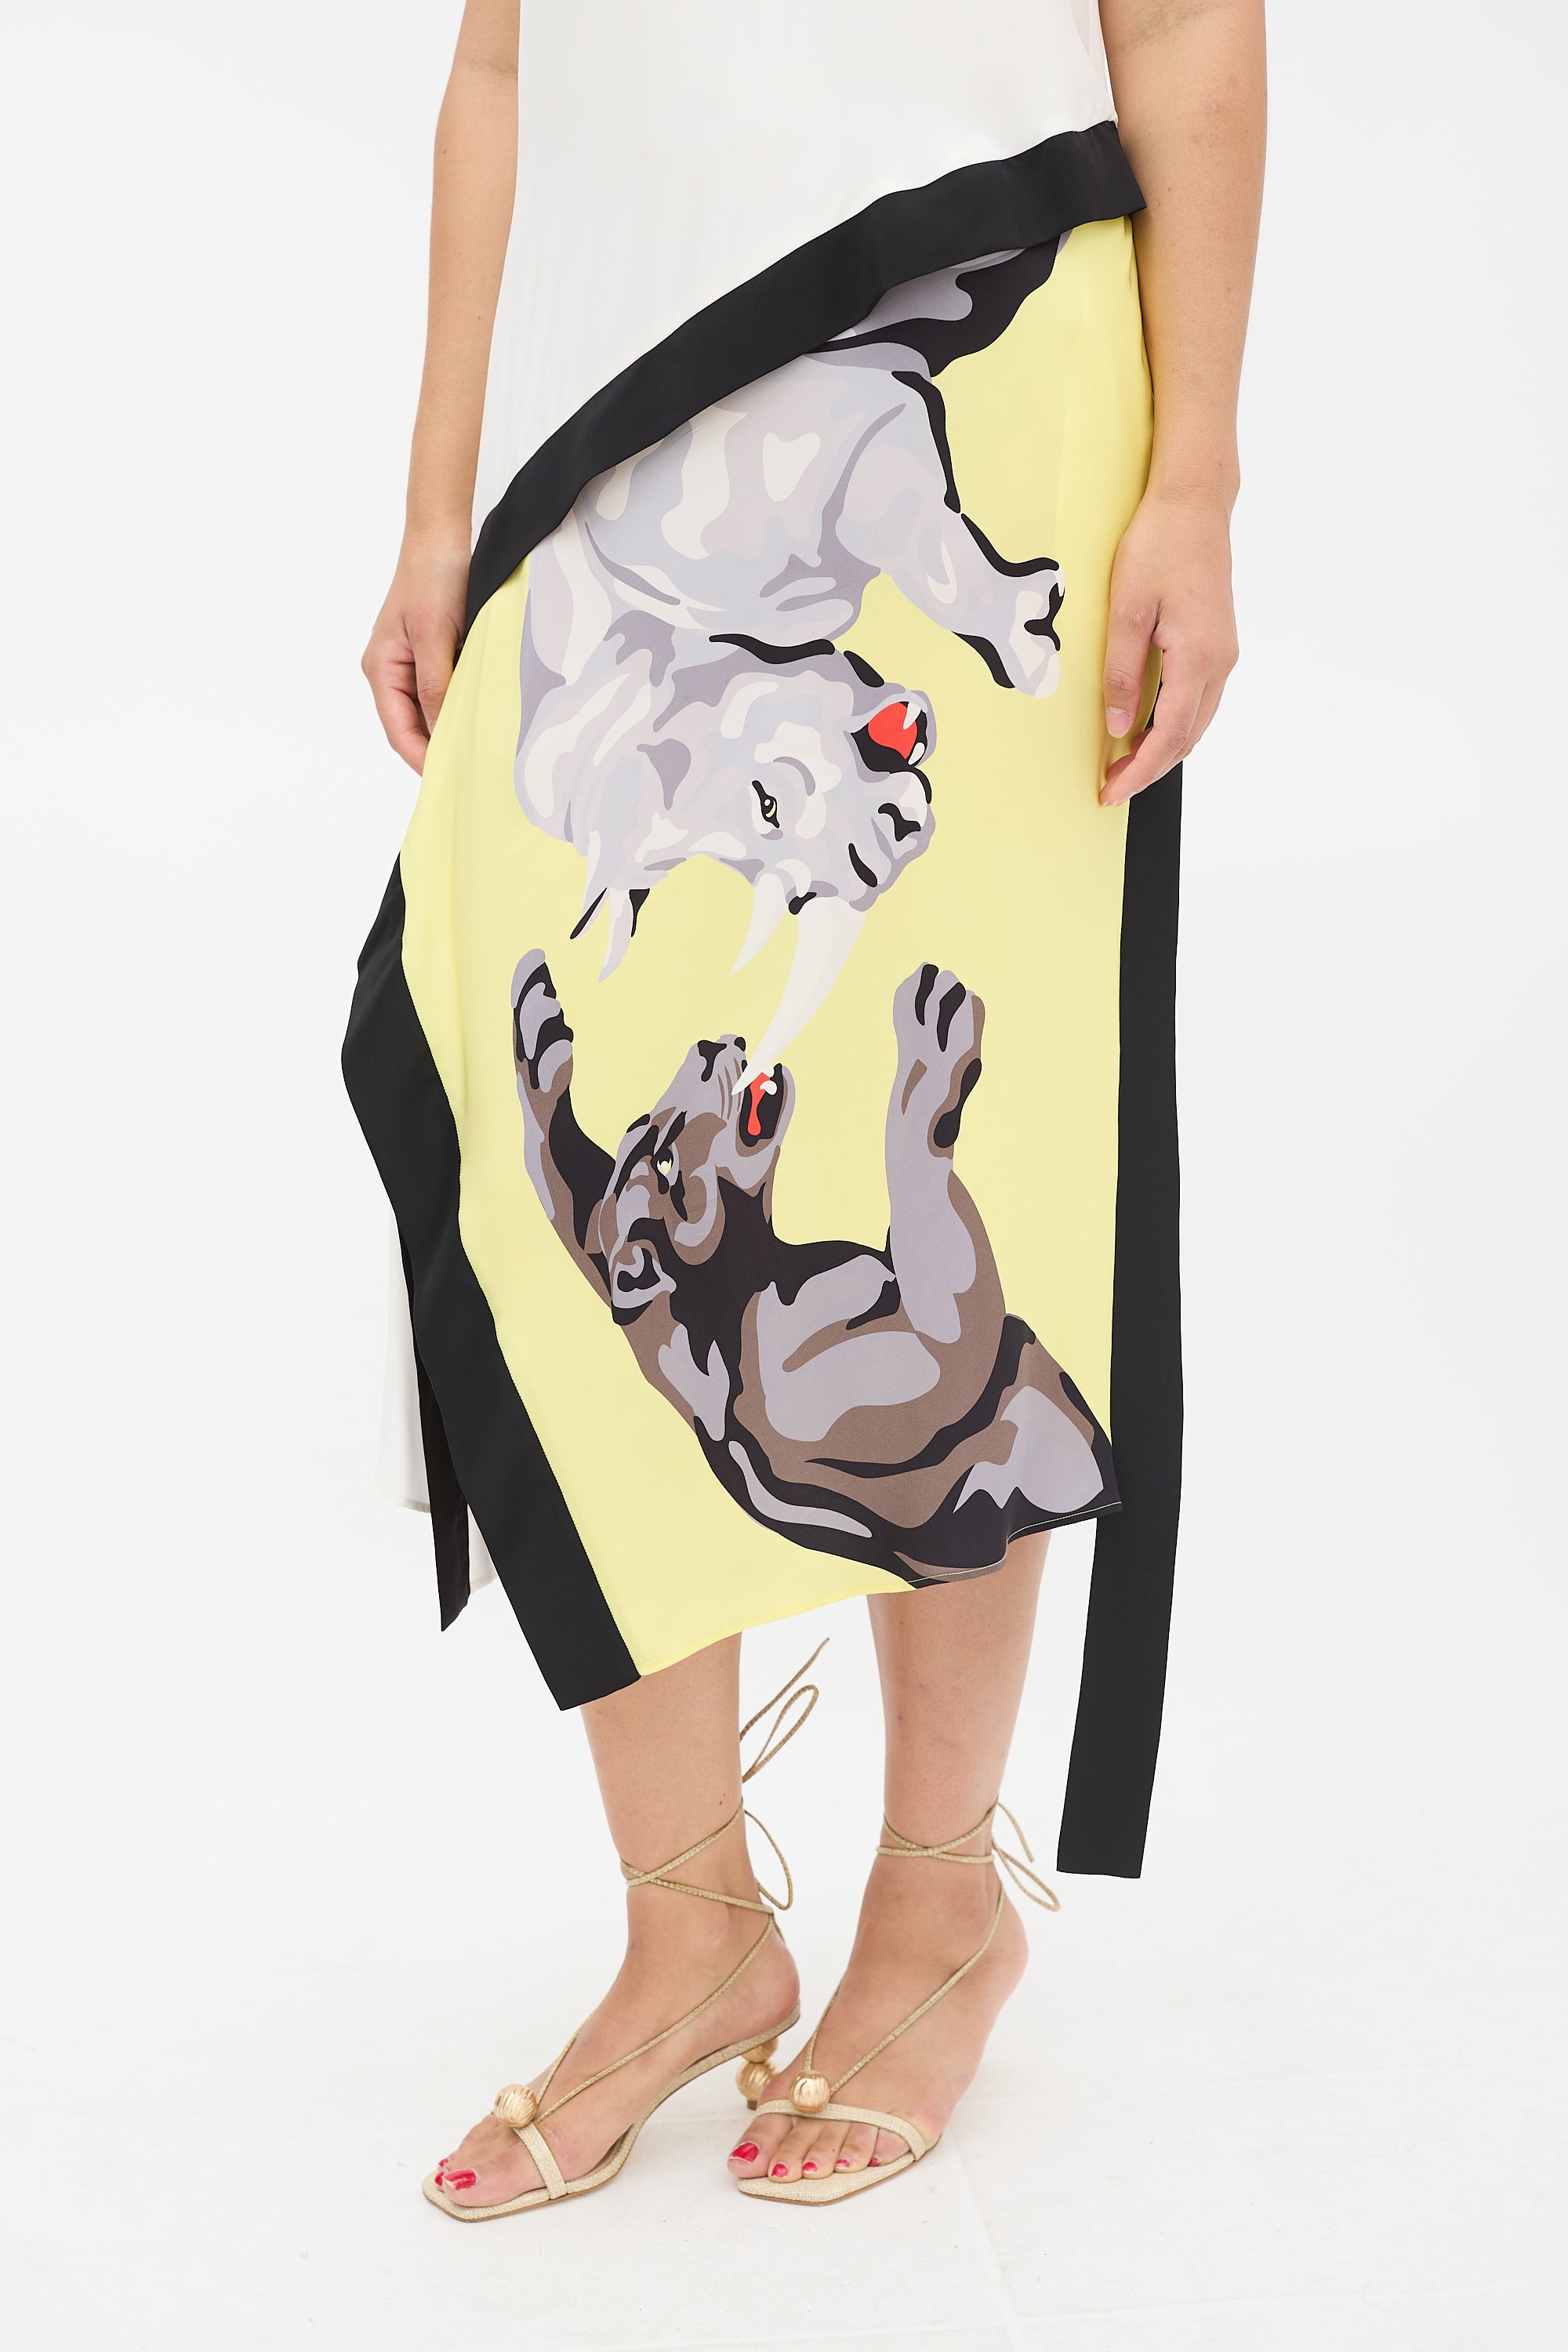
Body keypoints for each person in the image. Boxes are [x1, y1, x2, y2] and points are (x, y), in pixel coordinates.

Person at [348, 0, 1264, 2213]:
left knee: (957, 1111)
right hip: (608, 424)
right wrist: (439, 506)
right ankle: (693, 1932)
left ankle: (940, 1908)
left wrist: (1198, 481)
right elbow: (504, 64)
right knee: (559, 1148)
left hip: (977, 364)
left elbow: (1185, 25)